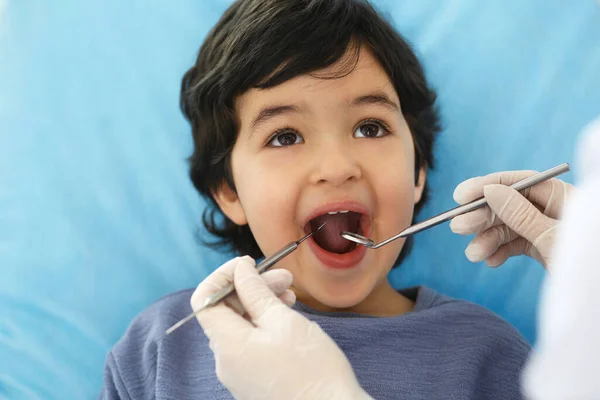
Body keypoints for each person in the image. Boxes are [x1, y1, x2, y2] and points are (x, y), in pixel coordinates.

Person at [99, 0, 571, 398]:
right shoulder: (160, 349)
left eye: (370, 127)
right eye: (285, 136)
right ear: (229, 190)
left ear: (417, 173)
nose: (337, 166)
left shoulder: (485, 355)